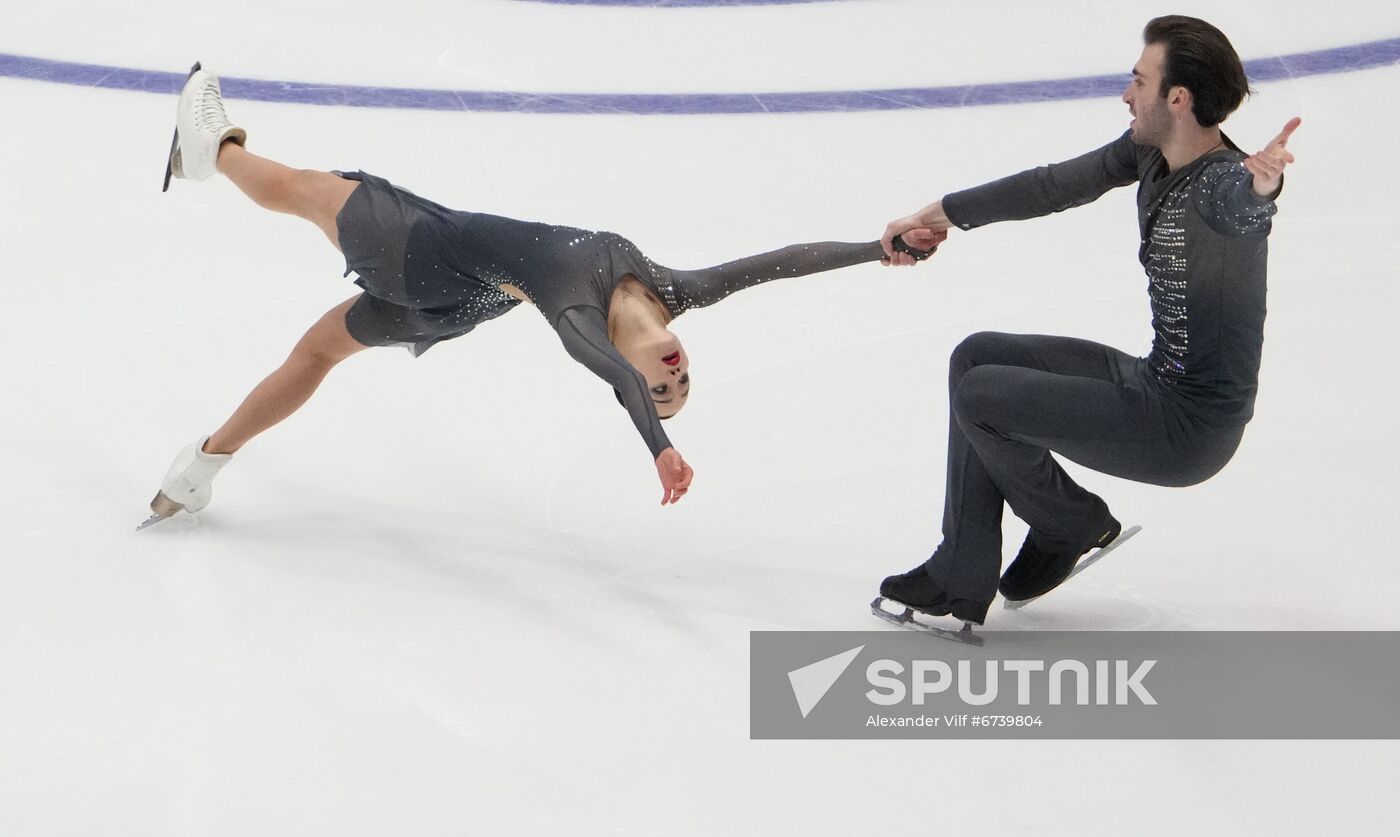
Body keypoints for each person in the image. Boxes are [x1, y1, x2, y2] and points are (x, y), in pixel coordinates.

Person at [142, 67, 942, 529]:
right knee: (318, 353)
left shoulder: (577, 312)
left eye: (659, 387)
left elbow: (618, 379)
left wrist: (656, 441)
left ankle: (214, 148)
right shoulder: (676, 293)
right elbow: (779, 263)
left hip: (419, 254)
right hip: (458, 303)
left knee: (308, 189)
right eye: (682, 381)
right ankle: (197, 468)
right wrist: (872, 250)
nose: (669, 374)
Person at [875, 15, 1300, 626]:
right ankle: (961, 570)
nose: (1126, 95)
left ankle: (1066, 522)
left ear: (1177, 99)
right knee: (976, 355)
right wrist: (938, 215)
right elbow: (1053, 186)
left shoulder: (1223, 185)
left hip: (1188, 428)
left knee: (983, 395)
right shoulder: (1151, 151)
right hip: (1154, 380)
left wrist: (1263, 188)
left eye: (1139, 81)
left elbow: (1243, 209)